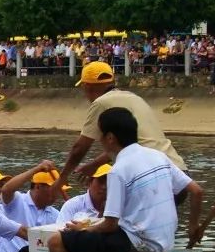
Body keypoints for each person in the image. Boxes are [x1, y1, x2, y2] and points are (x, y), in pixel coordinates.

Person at [47, 108, 204, 252]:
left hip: (139, 244)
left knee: (56, 242)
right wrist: (193, 226)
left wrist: (84, 229)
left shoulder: (118, 170)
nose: (100, 141)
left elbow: (110, 225)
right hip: (165, 241)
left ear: (110, 138)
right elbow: (196, 191)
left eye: (101, 135)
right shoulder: (158, 156)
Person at [53, 61, 186, 192]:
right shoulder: (134, 98)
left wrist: (62, 179)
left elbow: (79, 148)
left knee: (114, 209)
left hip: (151, 176)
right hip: (179, 173)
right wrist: (94, 165)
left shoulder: (100, 103)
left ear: (87, 86)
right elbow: (129, 145)